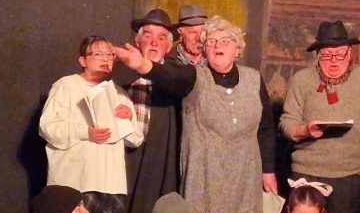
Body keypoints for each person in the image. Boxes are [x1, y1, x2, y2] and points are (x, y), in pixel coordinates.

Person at [115, 15, 278, 213]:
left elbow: (265, 128)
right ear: (205, 50)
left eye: (225, 41)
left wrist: (268, 171)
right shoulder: (194, 76)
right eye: (211, 41)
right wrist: (142, 64)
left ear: (238, 49)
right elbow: (169, 75)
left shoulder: (253, 79)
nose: (217, 45)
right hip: (204, 178)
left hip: (246, 175)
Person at [280, 20, 360, 213]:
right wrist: (305, 130)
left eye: (339, 54)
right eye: (327, 55)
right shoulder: (301, 80)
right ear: (318, 54)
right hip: (306, 171)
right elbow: (287, 121)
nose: (334, 61)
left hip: (348, 174)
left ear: (349, 52)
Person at [39, 36, 144, 212]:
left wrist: (128, 119)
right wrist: (86, 132)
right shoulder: (66, 85)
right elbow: (47, 127)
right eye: (98, 54)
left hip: (111, 185)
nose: (105, 59)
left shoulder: (119, 93)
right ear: (83, 60)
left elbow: (136, 139)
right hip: (75, 183)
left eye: (109, 55)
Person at [123, 8, 185, 213]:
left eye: (161, 38)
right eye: (148, 36)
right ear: (137, 41)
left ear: (168, 47)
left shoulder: (176, 76)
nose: (154, 42)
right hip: (124, 157)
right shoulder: (121, 72)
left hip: (158, 160)